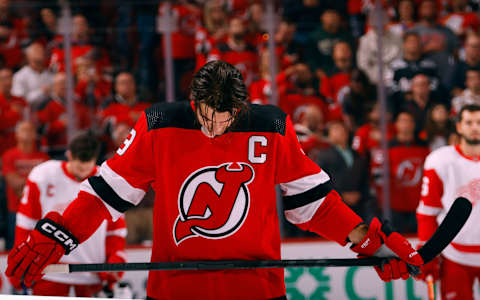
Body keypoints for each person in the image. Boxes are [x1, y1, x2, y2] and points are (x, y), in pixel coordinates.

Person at [6, 61, 423, 300]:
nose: (214, 126)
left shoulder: (272, 127)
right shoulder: (159, 125)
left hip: (256, 287)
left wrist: (372, 242)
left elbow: (316, 203)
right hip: (176, 288)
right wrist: (57, 234)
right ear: (193, 100)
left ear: (241, 107)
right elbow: (105, 196)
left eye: (224, 117)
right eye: (205, 113)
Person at [11, 133, 127, 297]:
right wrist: (23, 262)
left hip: (91, 272)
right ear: (69, 155)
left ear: (95, 159)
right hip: (48, 270)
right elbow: (26, 221)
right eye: (79, 167)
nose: (83, 172)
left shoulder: (106, 180)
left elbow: (115, 230)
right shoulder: (43, 175)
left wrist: (115, 258)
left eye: (88, 166)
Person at [416, 104, 480, 300]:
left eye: (479, 123)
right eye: (469, 122)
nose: (475, 127)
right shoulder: (440, 160)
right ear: (459, 127)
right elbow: (427, 212)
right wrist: (428, 255)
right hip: (455, 256)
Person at [1, 121, 49, 249]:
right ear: (16, 134)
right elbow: (14, 183)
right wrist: (36, 179)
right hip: (16, 210)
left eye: (30, 130)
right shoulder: (9, 156)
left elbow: (47, 185)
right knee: (14, 250)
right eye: (24, 130)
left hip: (39, 212)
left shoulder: (43, 157)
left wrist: (24, 182)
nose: (27, 133)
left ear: (35, 135)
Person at [11, 43, 53, 108]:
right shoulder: (20, 76)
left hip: (49, 112)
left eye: (41, 51)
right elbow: (19, 100)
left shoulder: (50, 75)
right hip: (29, 113)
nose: (39, 53)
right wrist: (41, 92)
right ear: (28, 56)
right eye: (36, 51)